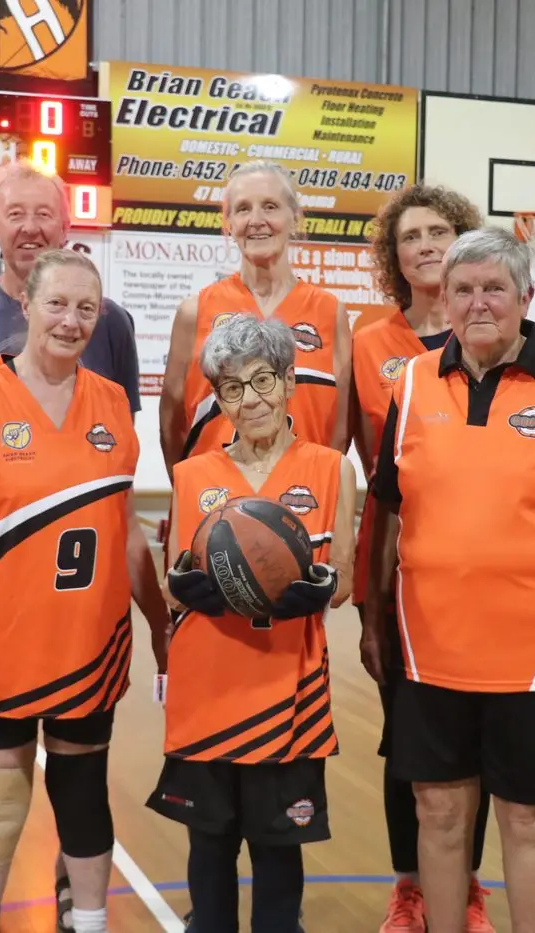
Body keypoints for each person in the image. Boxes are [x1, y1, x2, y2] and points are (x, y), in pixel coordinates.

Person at [363, 227, 535, 933]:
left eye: (493, 288)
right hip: (430, 644)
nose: (477, 303)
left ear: (525, 296)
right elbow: (386, 507)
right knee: (438, 810)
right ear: (445, 298)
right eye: (463, 289)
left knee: (527, 815)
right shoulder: (412, 381)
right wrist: (371, 616)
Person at [0, 248, 171, 933]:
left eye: (86, 308)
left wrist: (159, 623)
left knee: (82, 792)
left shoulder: (112, 402)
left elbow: (124, 528)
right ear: (26, 305)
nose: (70, 320)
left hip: (90, 641)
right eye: (57, 303)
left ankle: (89, 922)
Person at [149, 314, 355, 933]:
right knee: (210, 847)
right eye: (233, 388)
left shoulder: (332, 468)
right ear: (219, 399)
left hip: (289, 690)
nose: (252, 399)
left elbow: (343, 580)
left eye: (263, 379)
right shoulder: (191, 475)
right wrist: (184, 587)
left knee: (277, 850)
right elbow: (173, 586)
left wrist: (319, 587)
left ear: (289, 382)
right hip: (207, 689)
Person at [353, 184, 494, 933]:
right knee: (406, 741)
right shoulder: (368, 341)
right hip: (395, 569)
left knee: (478, 742)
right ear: (393, 255)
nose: (426, 246)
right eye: (410, 237)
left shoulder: (496, 333)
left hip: (484, 573)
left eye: (439, 231)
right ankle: (409, 888)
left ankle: (464, 888)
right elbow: (349, 456)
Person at [0, 161, 142, 451]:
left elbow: (119, 438)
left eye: (44, 214)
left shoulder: (111, 321)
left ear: (65, 227)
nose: (29, 227)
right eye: (15, 214)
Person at [159, 159, 353, 478]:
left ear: (295, 218)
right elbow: (172, 425)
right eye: (243, 209)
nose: (256, 220)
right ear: (228, 224)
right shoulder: (194, 312)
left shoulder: (330, 312)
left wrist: (318, 487)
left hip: (304, 496)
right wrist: (195, 489)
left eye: (270, 206)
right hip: (217, 498)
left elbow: (340, 429)